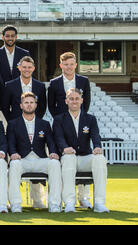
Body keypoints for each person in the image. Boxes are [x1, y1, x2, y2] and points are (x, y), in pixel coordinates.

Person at [52, 88, 109, 213]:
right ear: (66, 101)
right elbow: (58, 137)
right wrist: (65, 148)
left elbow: (95, 135)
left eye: (77, 99)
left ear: (82, 100)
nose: (74, 101)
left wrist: (97, 147)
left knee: (100, 159)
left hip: (85, 157)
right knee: (68, 158)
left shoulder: (90, 119)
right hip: (68, 157)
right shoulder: (59, 119)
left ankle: (99, 203)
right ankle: (69, 203)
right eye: (71, 99)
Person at [48, 52, 92, 208]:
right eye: (65, 64)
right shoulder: (54, 83)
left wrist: (77, 120)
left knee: (83, 157)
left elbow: (86, 104)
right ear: (61, 65)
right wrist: (62, 121)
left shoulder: (83, 81)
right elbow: (51, 105)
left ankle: (84, 197)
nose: (68, 67)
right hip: (61, 127)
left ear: (75, 65)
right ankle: (62, 197)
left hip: (80, 125)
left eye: (71, 64)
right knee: (62, 162)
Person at [7, 92, 62, 213]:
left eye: (32, 102)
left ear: (36, 105)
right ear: (21, 105)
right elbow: (10, 143)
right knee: (14, 165)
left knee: (55, 164)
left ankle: (54, 204)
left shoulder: (45, 124)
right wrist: (13, 154)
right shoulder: (13, 124)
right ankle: (15, 204)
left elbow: (51, 143)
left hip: (39, 160)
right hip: (22, 160)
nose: (29, 105)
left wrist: (53, 152)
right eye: (26, 102)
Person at [2, 56, 46, 121]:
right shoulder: (9, 86)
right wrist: (12, 122)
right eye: (24, 67)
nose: (27, 70)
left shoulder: (40, 86)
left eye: (29, 67)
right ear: (19, 68)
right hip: (15, 125)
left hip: (35, 124)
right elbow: (5, 107)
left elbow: (42, 107)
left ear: (33, 68)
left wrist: (37, 121)